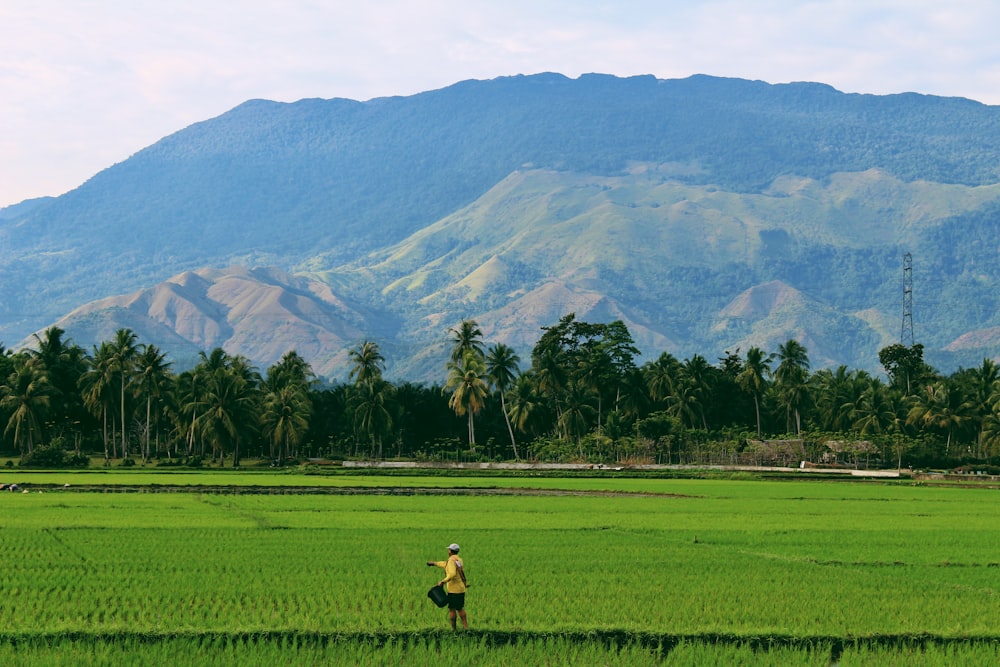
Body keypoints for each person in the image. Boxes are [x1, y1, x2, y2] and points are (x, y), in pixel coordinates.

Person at [426, 542, 468, 629]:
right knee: (460, 608)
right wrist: (434, 563)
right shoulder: (458, 560)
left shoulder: (451, 561)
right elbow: (445, 564)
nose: (448, 551)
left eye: (448, 550)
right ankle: (466, 627)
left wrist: (443, 581)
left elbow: (452, 574)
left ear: (450, 551)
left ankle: (453, 629)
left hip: (453, 590)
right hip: (461, 589)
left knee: (452, 609)